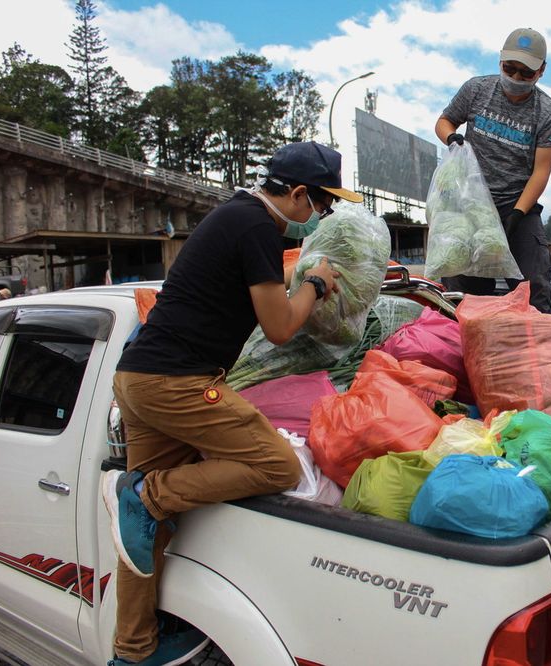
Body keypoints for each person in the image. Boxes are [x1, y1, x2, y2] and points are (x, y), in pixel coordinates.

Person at [100, 141, 362, 666]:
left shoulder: (237, 219)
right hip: (180, 383)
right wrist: (313, 283)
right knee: (275, 465)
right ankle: (145, 494)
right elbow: (281, 327)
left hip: (139, 380)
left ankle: (132, 651)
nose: (322, 215)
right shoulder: (256, 227)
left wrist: (298, 279)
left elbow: (257, 290)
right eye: (323, 204)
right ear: (296, 193)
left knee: (143, 536)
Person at [434, 27, 551, 313]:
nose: (516, 78)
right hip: (470, 205)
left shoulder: (548, 112)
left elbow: (541, 171)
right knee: (461, 291)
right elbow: (444, 121)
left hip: (517, 207)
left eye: (526, 73)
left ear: (541, 71)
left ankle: (535, 346)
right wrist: (452, 138)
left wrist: (517, 213)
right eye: (510, 68)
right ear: (500, 61)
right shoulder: (476, 89)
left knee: (534, 288)